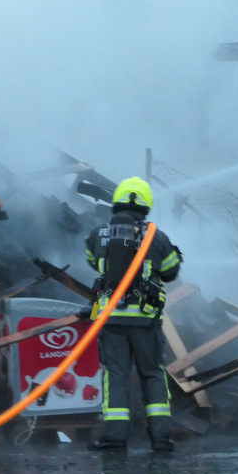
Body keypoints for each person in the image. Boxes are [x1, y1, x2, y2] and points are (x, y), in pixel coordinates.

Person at [83, 176, 182, 452]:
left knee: (115, 375)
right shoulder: (156, 237)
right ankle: (161, 438)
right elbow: (171, 271)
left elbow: (92, 261)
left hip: (111, 318)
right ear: (146, 205)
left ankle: (114, 437)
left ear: (117, 202)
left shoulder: (98, 234)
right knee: (152, 374)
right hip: (146, 320)